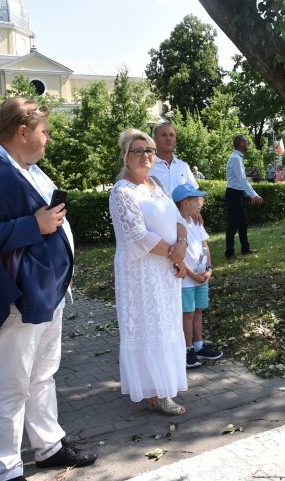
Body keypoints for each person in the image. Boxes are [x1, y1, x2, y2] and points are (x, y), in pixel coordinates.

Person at [0, 98, 97, 481]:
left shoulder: (32, 171)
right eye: (45, 131)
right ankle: (5, 470)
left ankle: (48, 446)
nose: (48, 139)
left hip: (48, 293)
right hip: (19, 299)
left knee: (43, 374)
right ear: (21, 132)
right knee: (10, 384)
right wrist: (32, 225)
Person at [109, 128, 189, 416]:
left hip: (166, 269)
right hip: (141, 272)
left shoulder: (156, 184)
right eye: (138, 151)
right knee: (149, 325)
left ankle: (165, 385)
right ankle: (155, 392)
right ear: (126, 157)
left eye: (150, 150)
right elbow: (136, 236)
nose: (145, 155)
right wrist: (175, 253)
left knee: (167, 324)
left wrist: (181, 246)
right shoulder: (122, 192)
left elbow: (179, 218)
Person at [172, 183, 223, 368]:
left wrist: (209, 268)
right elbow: (177, 254)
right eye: (195, 200)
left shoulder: (196, 221)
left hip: (202, 276)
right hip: (186, 279)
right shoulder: (176, 224)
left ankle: (199, 345)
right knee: (188, 313)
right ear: (185, 203)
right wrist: (191, 274)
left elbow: (204, 245)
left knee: (199, 310)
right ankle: (187, 350)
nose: (199, 203)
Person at [225, 135, 263, 258]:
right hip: (233, 194)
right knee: (233, 224)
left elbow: (240, 179)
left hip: (237, 193)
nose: (248, 144)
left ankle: (245, 248)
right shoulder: (236, 158)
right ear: (241, 143)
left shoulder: (237, 157)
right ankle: (229, 253)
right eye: (246, 142)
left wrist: (246, 195)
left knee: (243, 222)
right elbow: (241, 180)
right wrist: (255, 195)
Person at [150, 121, 199, 194]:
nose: (168, 138)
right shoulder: (148, 167)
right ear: (154, 139)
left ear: (175, 140)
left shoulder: (183, 166)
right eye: (163, 135)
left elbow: (195, 194)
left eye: (172, 135)